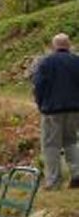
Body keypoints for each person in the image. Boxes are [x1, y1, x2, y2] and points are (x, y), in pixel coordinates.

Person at [33, 33, 79, 190]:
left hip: (52, 109)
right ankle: (77, 175)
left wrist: (40, 104)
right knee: (71, 141)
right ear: (69, 45)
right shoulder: (77, 61)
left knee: (51, 145)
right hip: (74, 109)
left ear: (54, 46)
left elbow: (38, 85)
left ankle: (53, 181)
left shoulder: (46, 62)